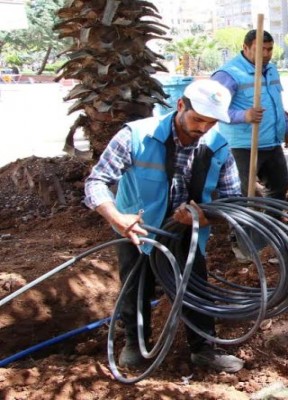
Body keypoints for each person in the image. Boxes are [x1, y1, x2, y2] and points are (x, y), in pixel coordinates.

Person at [84, 79, 245, 372]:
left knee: (194, 289)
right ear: (180, 106)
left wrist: (203, 217)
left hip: (186, 232)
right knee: (136, 286)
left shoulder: (218, 146)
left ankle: (203, 349)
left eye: (211, 123)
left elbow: (233, 203)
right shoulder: (136, 135)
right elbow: (96, 181)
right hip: (137, 229)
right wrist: (116, 217)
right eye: (197, 120)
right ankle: (135, 344)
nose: (202, 129)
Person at [211, 29, 288, 201]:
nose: (265, 54)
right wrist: (244, 116)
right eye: (260, 49)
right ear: (245, 48)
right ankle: (242, 228)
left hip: (271, 142)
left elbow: (276, 102)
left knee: (280, 185)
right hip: (242, 147)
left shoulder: (271, 69)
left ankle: (270, 225)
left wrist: (286, 127)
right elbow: (211, 109)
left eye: (269, 49)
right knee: (242, 193)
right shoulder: (228, 74)